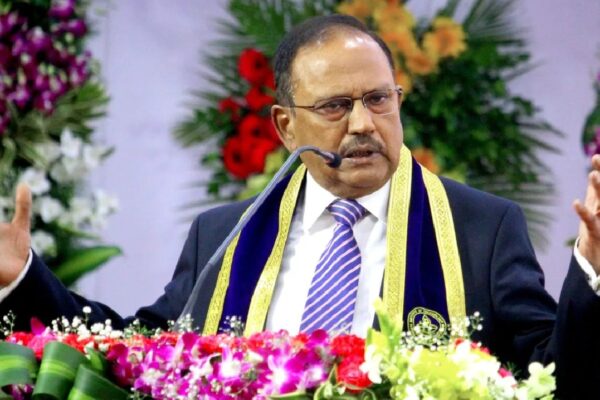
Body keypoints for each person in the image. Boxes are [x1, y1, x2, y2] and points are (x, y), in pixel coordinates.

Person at [1, 14, 600, 398]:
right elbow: (138, 352)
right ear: (286, 127)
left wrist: (593, 270)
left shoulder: (481, 228)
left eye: (379, 99)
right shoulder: (226, 233)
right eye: (336, 107)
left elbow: (554, 372)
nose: (363, 124)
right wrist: (21, 279)